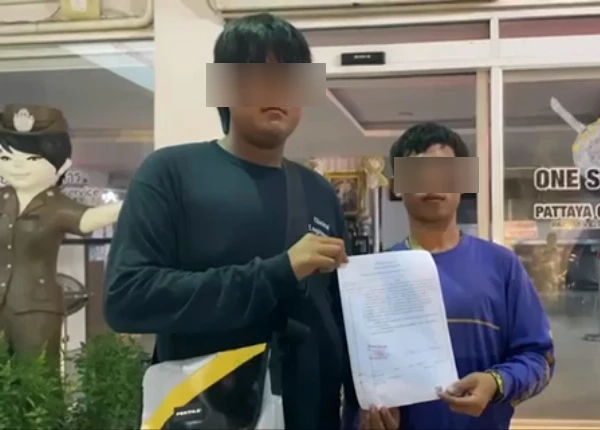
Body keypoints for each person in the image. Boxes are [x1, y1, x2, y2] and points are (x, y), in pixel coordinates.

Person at [104, 13, 350, 429]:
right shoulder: (170, 174)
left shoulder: (318, 191)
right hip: (215, 414)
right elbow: (127, 297)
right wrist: (278, 272)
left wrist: (370, 394)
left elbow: (337, 312)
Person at [343, 123, 555, 430]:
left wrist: (496, 382)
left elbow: (539, 358)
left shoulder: (502, 265)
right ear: (397, 185)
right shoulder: (371, 278)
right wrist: (367, 422)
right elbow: (356, 385)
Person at [0, 104, 121, 365]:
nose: (17, 166)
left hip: (37, 309)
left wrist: (132, 204)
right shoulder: (3, 199)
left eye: (32, 159)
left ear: (63, 163)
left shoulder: (56, 205)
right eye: (6, 158)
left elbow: (87, 219)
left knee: (38, 375)